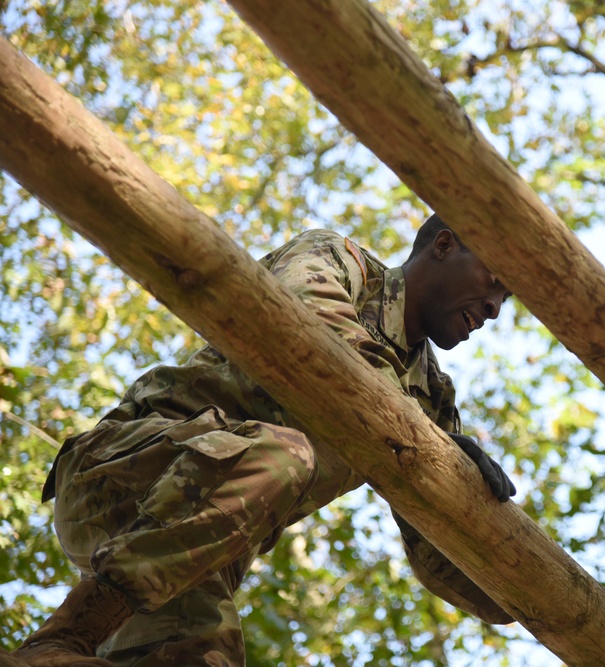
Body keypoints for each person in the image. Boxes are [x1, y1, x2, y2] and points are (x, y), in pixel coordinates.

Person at [14, 213, 519, 666]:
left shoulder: (431, 395)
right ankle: (69, 631)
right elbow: (317, 325)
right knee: (286, 455)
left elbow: (434, 546)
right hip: (122, 472)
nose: (495, 308)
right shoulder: (341, 261)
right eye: (494, 281)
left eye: (505, 300)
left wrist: (525, 598)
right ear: (445, 244)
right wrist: (429, 437)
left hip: (194, 555)